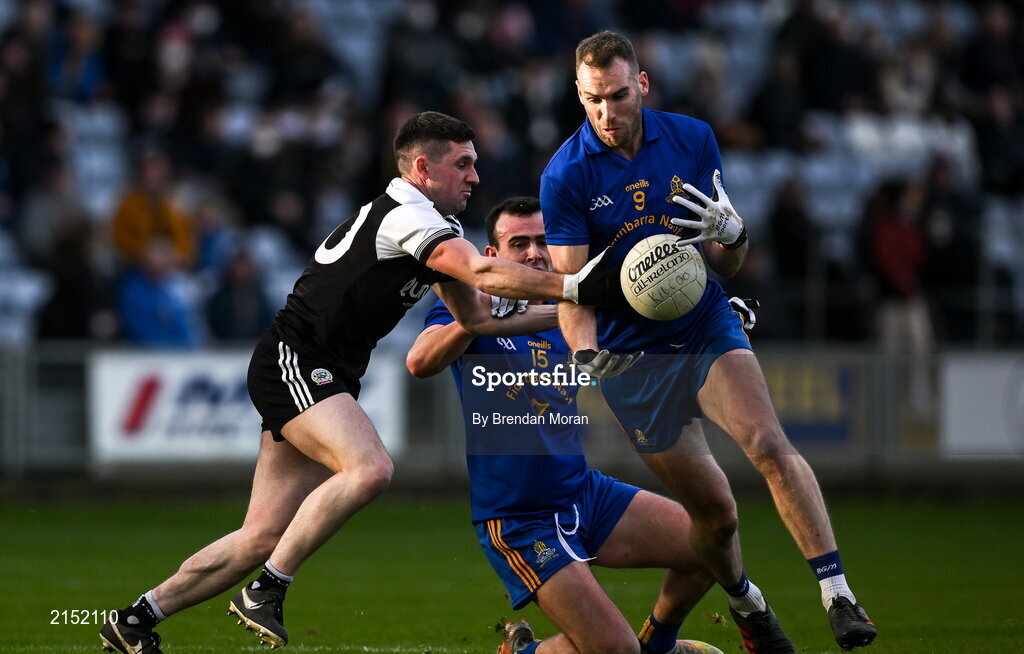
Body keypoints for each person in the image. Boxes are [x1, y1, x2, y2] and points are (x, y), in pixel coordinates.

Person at [99, 111, 621, 654]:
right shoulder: (409, 217)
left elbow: (480, 321)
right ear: (422, 168)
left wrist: (594, 306)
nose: (474, 177)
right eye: (463, 164)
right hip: (295, 361)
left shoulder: (433, 228)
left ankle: (135, 619)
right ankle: (268, 590)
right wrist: (581, 284)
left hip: (317, 370)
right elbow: (487, 276)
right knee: (370, 468)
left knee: (260, 535)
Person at [539, 31, 877, 653]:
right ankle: (746, 603)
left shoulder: (692, 139)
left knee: (767, 442)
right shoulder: (565, 175)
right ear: (579, 96)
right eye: (592, 101)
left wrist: (736, 234)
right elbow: (572, 291)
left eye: (616, 96)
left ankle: (837, 593)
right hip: (631, 362)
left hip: (701, 324)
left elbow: (724, 262)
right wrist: (587, 358)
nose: (605, 114)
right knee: (716, 519)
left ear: (642, 84)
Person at [407, 197, 721, 654]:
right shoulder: (468, 306)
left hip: (583, 494)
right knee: (614, 650)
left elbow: (651, 322)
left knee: (712, 542)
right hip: (520, 518)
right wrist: (477, 321)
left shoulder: (575, 314)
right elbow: (419, 360)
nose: (534, 253)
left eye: (542, 241)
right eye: (519, 244)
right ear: (491, 258)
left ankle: (658, 645)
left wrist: (717, 317)